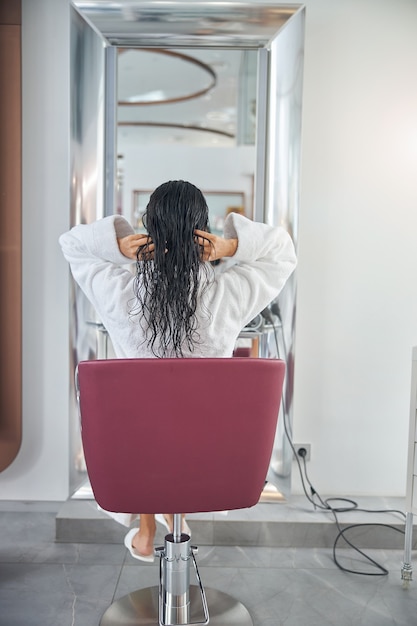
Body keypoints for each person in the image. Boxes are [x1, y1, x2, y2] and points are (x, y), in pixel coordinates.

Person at [59, 179, 297, 561]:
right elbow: (283, 253)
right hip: (208, 455)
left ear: (147, 230)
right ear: (204, 234)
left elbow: (71, 243)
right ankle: (169, 520)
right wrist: (232, 247)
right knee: (177, 424)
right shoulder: (227, 295)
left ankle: (148, 527)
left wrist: (117, 247)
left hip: (134, 454)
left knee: (147, 419)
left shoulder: (120, 294)